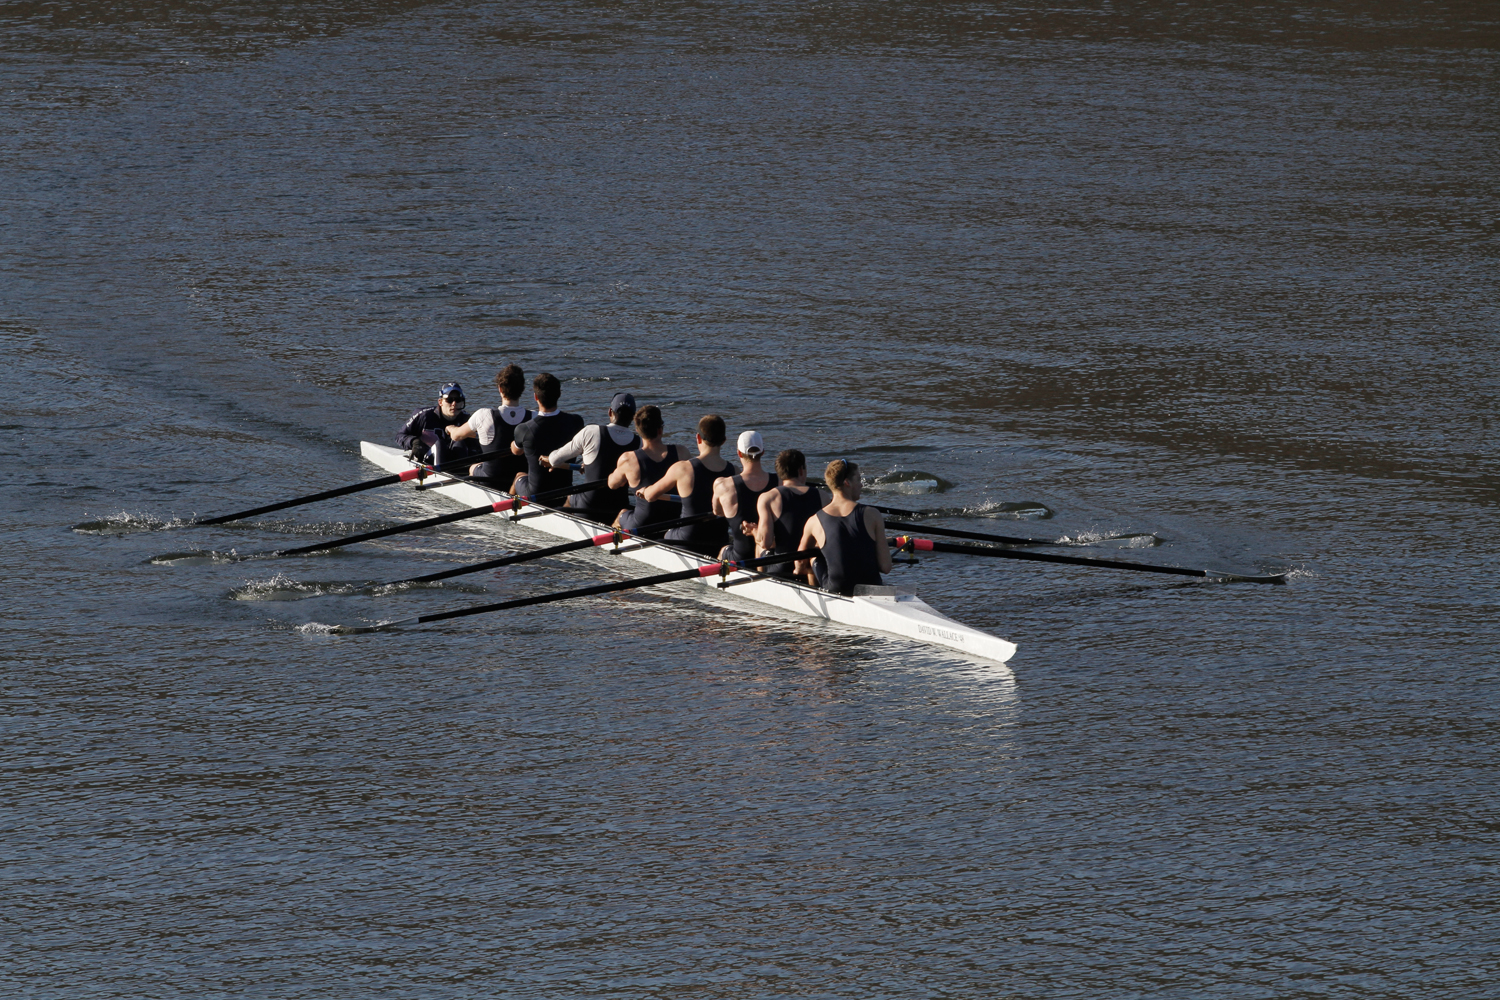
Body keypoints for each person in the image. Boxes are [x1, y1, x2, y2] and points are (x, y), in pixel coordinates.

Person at [638, 414, 734, 556]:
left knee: (668, 533)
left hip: (688, 541)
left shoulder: (683, 469)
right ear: (724, 441)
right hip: (719, 540)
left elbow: (651, 496)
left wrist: (644, 491)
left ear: (698, 438)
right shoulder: (735, 472)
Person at [542, 392, 641, 523]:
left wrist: (549, 459)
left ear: (610, 412)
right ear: (633, 417)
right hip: (618, 508)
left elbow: (555, 459)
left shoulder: (592, 432)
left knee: (571, 497)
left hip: (588, 508)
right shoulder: (640, 443)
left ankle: (562, 525)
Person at [796, 458, 891, 595]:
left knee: (813, 555)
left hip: (836, 589)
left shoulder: (814, 521)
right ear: (847, 482)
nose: (861, 485)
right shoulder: (872, 514)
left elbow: (800, 563)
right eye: (858, 479)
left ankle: (815, 593)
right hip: (872, 587)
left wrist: (799, 571)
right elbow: (886, 567)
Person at [443, 364, 531, 485]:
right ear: (522, 389)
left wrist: (451, 428)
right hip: (521, 479)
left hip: (491, 481)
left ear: (500, 389)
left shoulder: (483, 415)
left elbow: (456, 436)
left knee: (473, 467)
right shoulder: (534, 417)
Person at [610, 405, 689, 532]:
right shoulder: (682, 452)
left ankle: (615, 542)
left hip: (643, 523)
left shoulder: (628, 459)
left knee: (623, 513)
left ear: (638, 430)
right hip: (675, 518)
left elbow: (613, 485)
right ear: (660, 430)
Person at [510, 372, 585, 496]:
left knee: (519, 475)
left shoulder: (524, 429)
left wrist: (514, 443)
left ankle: (510, 508)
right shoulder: (576, 422)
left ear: (536, 397)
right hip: (564, 489)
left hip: (536, 493)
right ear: (559, 394)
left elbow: (516, 451)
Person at [754, 448, 826, 578]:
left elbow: (766, 542)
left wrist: (754, 532)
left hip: (782, 565)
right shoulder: (823, 496)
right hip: (811, 563)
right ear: (801, 470)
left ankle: (760, 580)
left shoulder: (769, 498)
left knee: (759, 546)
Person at [713, 430, 776, 562]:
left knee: (723, 549)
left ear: (739, 453)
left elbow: (717, 511)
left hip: (741, 556)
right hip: (771, 553)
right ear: (763, 452)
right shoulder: (780, 482)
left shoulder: (723, 485)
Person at [395, 382, 476, 466]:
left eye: (458, 400)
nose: (454, 404)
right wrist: (414, 442)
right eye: (449, 400)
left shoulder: (466, 419)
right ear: (440, 402)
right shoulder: (424, 415)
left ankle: (464, 471)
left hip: (454, 460)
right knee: (440, 445)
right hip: (427, 458)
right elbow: (399, 436)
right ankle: (441, 472)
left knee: (460, 443)